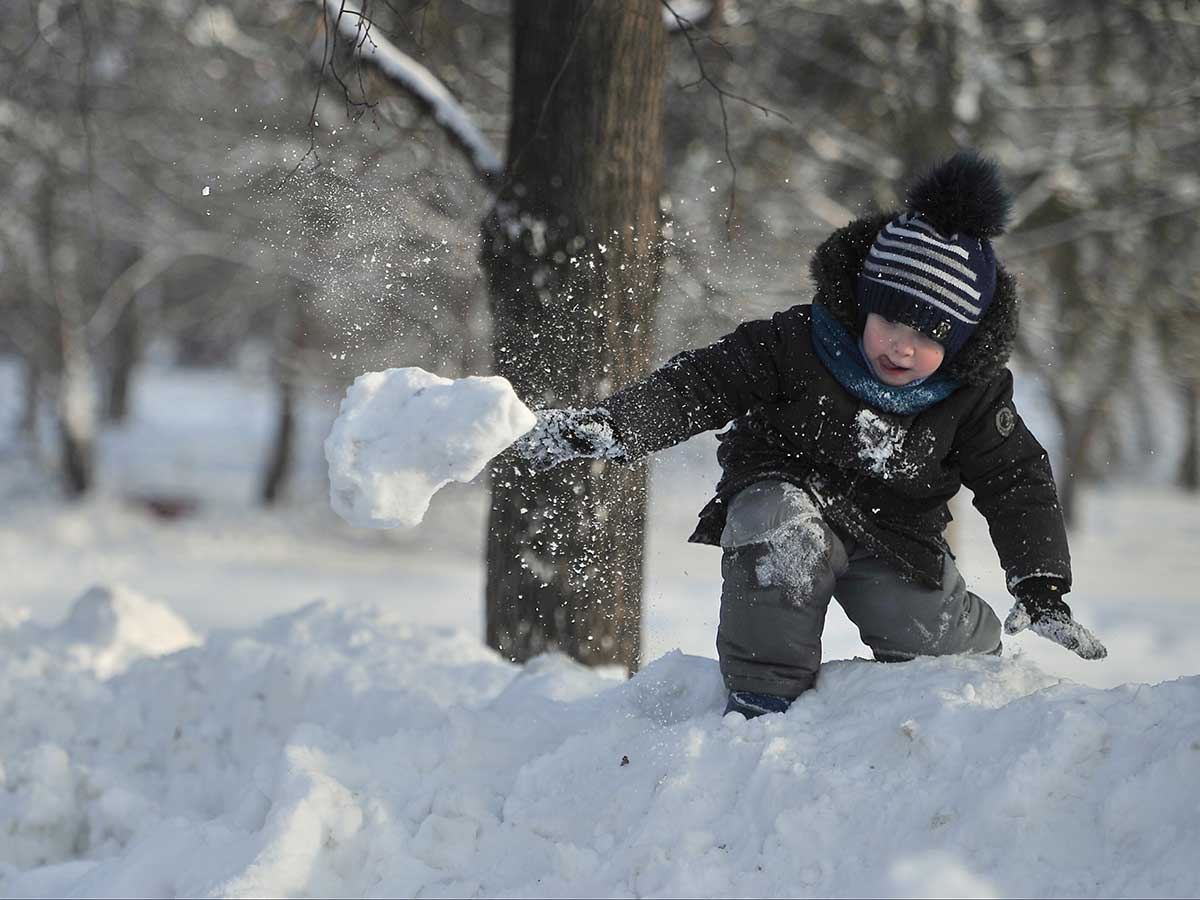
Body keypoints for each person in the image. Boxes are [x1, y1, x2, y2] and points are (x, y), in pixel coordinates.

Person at [513, 151, 1106, 719]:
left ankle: (975, 676)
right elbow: (700, 383)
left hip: (896, 530)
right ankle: (762, 703)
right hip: (785, 486)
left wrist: (1041, 584)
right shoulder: (797, 343)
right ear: (864, 303)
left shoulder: (973, 396)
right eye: (892, 319)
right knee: (783, 538)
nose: (903, 345)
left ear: (957, 343)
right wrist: (616, 425)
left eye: (930, 335)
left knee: (922, 631)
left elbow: (1016, 479)